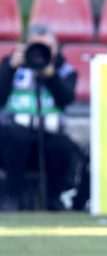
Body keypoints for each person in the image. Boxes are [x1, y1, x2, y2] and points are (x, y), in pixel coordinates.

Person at [0, 23, 80, 211]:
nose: (39, 53)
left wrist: (51, 75)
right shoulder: (12, 65)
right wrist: (10, 68)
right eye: (35, 47)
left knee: (62, 145)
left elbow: (66, 99)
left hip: (48, 136)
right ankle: (12, 197)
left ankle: (53, 197)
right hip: (13, 138)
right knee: (15, 137)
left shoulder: (65, 70)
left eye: (46, 47)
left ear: (56, 48)